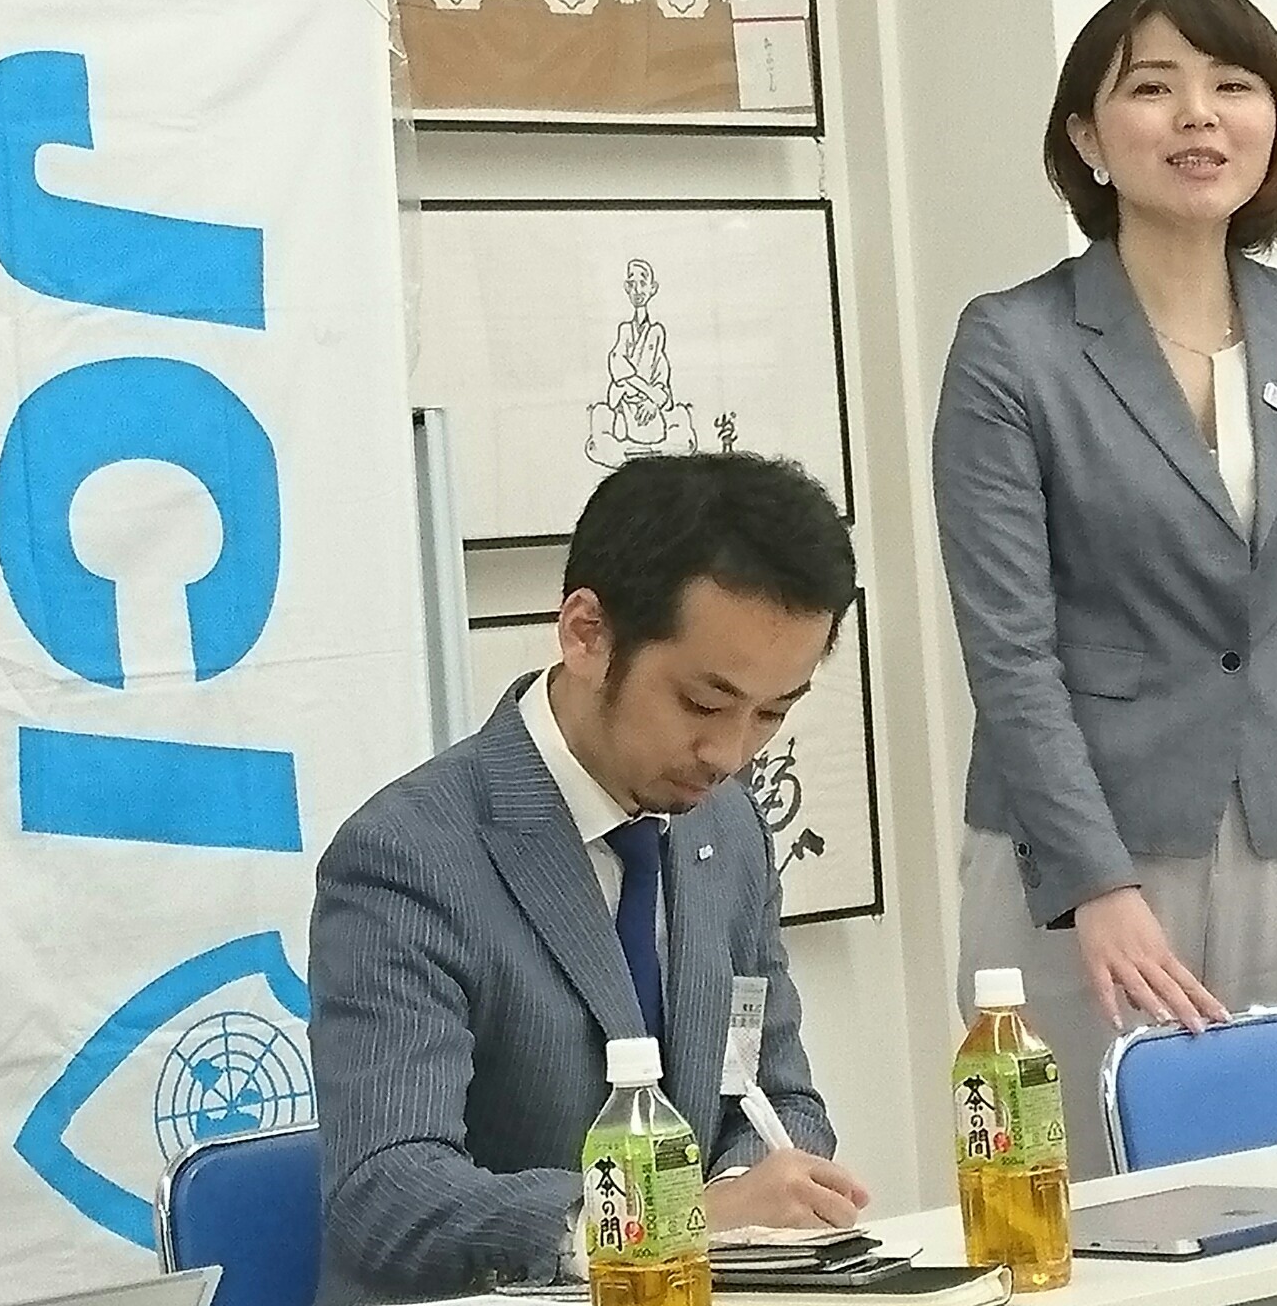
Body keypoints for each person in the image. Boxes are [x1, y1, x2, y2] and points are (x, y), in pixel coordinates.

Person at [932, 0, 1277, 1174]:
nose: (1198, 116)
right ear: (1087, 135)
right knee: (1088, 1204)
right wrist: (1095, 887)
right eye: (1153, 89)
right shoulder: (1013, 345)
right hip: (1079, 860)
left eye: (1232, 85)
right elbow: (1009, 650)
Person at [311, 452, 871, 1305]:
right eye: (703, 703)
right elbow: (387, 1193)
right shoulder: (406, 856)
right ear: (586, 634)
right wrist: (667, 1220)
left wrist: (750, 1200)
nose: (729, 753)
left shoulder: (727, 829)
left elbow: (773, 1095)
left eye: (772, 713)